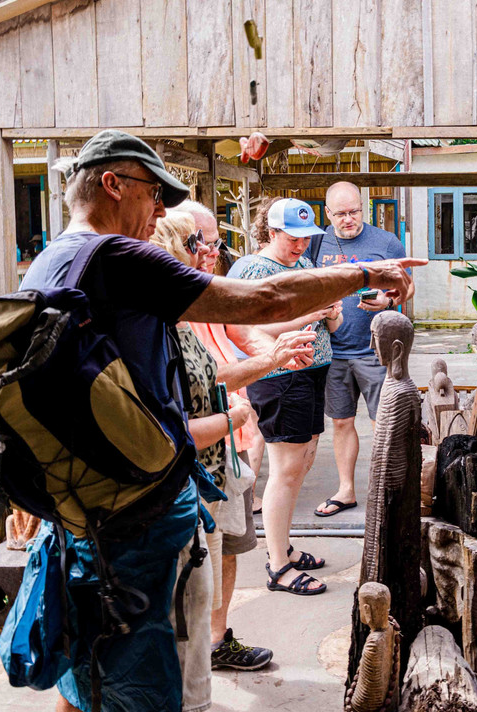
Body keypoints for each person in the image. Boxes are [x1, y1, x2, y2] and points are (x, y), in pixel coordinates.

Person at [16, 130, 421, 712]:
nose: (161, 211)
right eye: (154, 193)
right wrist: (366, 274)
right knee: (149, 684)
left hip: (82, 509)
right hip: (134, 517)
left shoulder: (52, 260)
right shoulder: (118, 258)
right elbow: (264, 299)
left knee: (85, 677)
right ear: (111, 184)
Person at [167, 200, 317, 669]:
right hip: (202, 446)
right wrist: (270, 361)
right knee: (192, 562)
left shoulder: (208, 289)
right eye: (202, 243)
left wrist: (278, 348)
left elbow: (246, 331)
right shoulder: (168, 304)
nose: (212, 252)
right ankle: (188, 655)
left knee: (227, 544)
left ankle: (216, 640)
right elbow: (208, 377)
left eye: (215, 242)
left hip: (227, 446)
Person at [229, 197, 343, 596]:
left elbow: (335, 321)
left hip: (313, 370)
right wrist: (312, 314)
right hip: (280, 374)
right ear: (271, 231)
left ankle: (284, 546)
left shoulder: (305, 264)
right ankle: (278, 565)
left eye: (306, 238)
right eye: (292, 238)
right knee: (287, 468)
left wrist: (331, 312)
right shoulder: (252, 269)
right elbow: (247, 328)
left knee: (303, 461)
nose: (300, 245)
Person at [306, 182, 413, 518]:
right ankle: (346, 490)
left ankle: (388, 490)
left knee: (383, 421)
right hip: (332, 350)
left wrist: (389, 299)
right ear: (328, 213)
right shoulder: (315, 242)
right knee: (341, 422)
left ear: (362, 208)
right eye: (340, 214)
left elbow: (406, 285)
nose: (348, 219)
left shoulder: (386, 242)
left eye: (354, 212)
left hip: (374, 350)